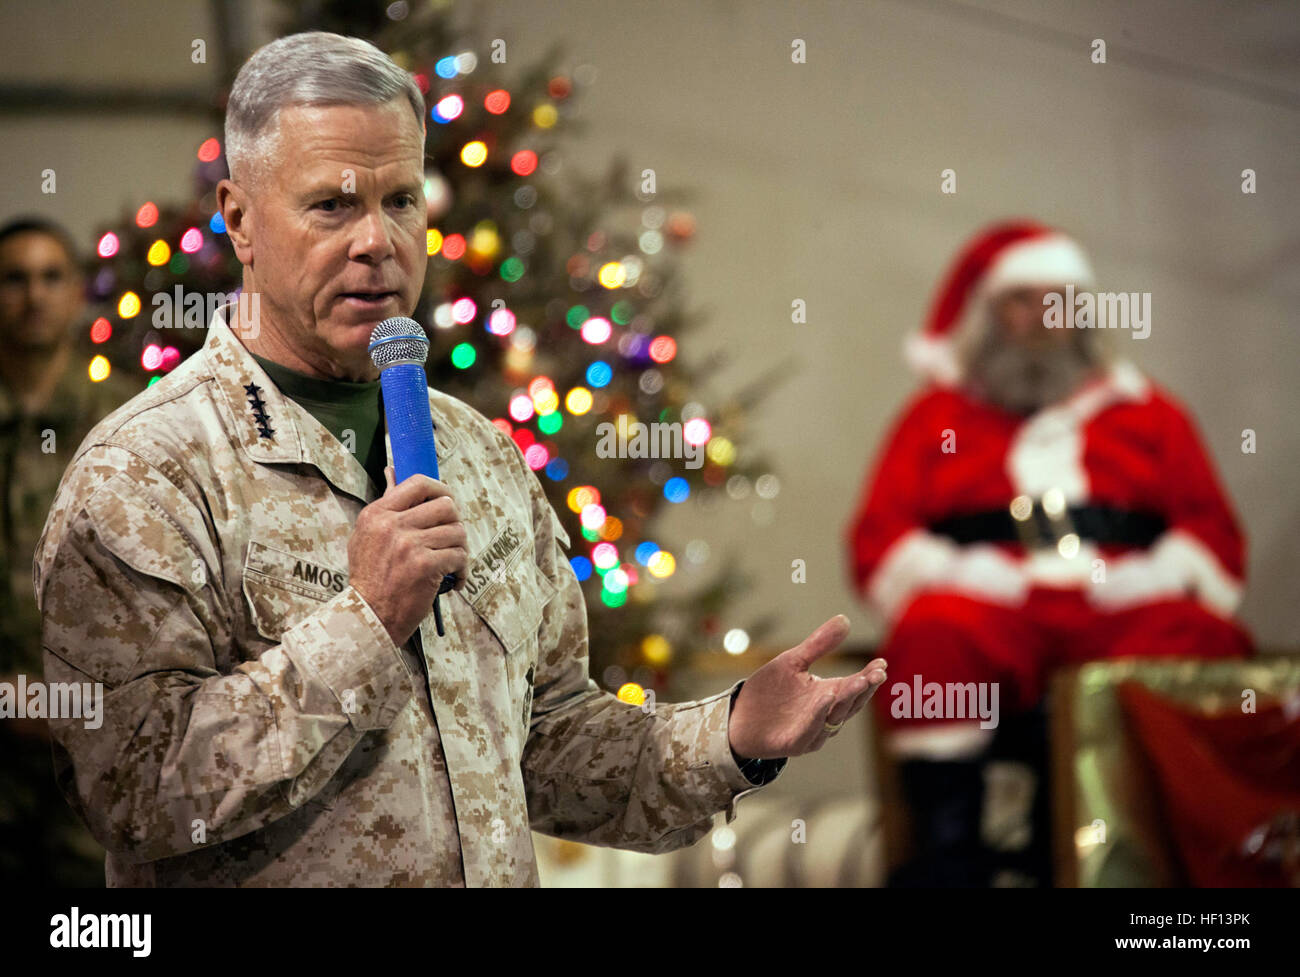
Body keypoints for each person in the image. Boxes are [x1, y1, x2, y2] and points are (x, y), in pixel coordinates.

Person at [34, 31, 889, 887]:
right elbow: (134, 791)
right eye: (332, 205)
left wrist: (732, 733)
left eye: (402, 201)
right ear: (240, 219)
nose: (378, 240)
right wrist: (364, 623)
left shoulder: (480, 457)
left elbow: (550, 747)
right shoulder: (144, 474)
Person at [846, 220, 1252, 886]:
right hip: (991, 610)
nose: (1041, 317)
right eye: (1021, 299)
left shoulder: (1150, 414)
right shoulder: (936, 418)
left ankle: (1159, 853)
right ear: (989, 313)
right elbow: (881, 536)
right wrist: (958, 570)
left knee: (1199, 634)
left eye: (1059, 299)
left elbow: (1211, 530)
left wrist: (1158, 573)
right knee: (934, 631)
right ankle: (947, 853)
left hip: (1121, 608)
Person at [0, 217, 135, 885]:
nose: (33, 296)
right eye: (14, 279)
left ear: (78, 292)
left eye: (50, 277)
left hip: (93, 750)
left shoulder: (125, 424)